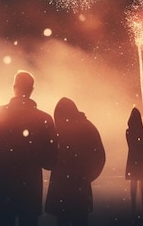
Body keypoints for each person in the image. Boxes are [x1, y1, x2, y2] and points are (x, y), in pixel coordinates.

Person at [0, 70, 58, 226]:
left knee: (3, 220)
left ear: (14, 87)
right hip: (29, 184)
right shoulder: (44, 118)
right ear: (32, 89)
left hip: (2, 181)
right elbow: (50, 162)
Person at [45, 97, 105, 226]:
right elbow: (99, 155)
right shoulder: (88, 127)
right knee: (80, 218)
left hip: (62, 186)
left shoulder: (60, 131)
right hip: (80, 185)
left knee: (63, 219)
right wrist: (88, 176)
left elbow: (50, 157)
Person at [125, 107, 143, 216]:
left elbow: (131, 145)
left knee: (133, 182)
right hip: (141, 157)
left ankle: (133, 206)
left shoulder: (129, 131)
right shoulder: (141, 130)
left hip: (132, 157)